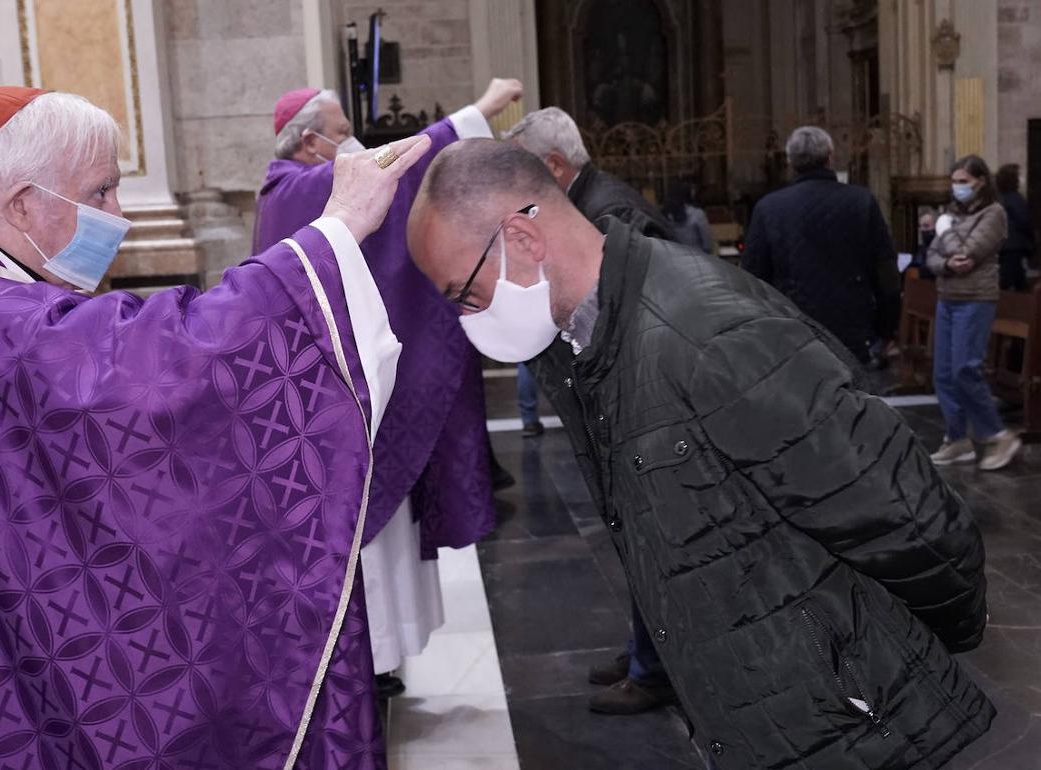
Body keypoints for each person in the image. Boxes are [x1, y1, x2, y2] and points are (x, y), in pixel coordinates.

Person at [0, 85, 433, 769]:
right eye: (103, 191)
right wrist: (339, 226)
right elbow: (169, 365)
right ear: (22, 204)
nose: (120, 216)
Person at [408, 139, 993, 770]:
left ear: (522, 238)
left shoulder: (704, 336)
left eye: (464, 293)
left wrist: (910, 649)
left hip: (844, 719)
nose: (466, 317)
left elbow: (905, 512)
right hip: (754, 705)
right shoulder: (581, 339)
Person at [253, 79, 521, 693]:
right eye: (341, 128)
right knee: (362, 540)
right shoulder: (294, 188)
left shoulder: (298, 184)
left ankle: (383, 657)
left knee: (382, 536)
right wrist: (473, 113)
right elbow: (399, 157)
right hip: (336, 404)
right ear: (311, 142)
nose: (351, 139)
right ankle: (366, 665)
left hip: (350, 396)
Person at [506, 106, 676, 716]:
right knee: (635, 537)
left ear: (554, 165)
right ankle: (644, 651)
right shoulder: (589, 203)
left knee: (653, 539)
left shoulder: (609, 211)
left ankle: (658, 670)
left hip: (641, 402)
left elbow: (630, 315)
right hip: (622, 399)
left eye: (525, 174)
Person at [743, 126, 900, 367]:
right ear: (830, 156)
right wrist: (887, 328)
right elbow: (885, 271)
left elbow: (753, 277)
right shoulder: (861, 201)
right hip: (851, 323)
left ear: (790, 162)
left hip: (792, 323)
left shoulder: (768, 208)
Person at [926, 155, 1021, 471]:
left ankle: (997, 434)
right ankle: (958, 439)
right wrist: (946, 260)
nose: (957, 187)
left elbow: (967, 253)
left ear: (981, 181)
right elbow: (933, 258)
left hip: (975, 300)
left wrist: (943, 232)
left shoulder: (994, 214)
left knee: (965, 371)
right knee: (942, 373)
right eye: (954, 181)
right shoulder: (951, 214)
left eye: (963, 181)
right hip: (947, 298)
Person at [501, 106, 672, 240]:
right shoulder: (588, 197)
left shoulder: (609, 213)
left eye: (523, 166)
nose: (517, 178)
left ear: (555, 165)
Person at [996, 163, 1035, 292]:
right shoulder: (1015, 199)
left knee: (1019, 279)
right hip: (1014, 245)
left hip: (1003, 243)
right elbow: (1024, 221)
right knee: (1006, 280)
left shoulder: (999, 198)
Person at [663, 182, 714, 255]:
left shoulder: (666, 214)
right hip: (698, 257)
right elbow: (707, 243)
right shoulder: (697, 214)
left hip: (674, 257)